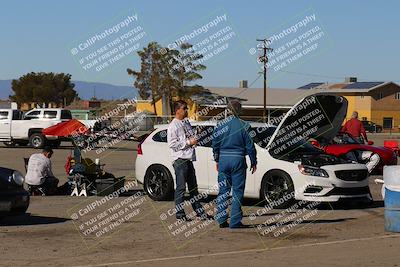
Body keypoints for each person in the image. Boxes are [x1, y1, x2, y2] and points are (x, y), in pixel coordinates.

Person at [212, 100, 257, 229]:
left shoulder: (220, 125)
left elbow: (215, 144)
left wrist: (217, 159)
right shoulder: (244, 125)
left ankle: (221, 219)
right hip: (238, 159)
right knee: (237, 191)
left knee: (223, 191)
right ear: (239, 110)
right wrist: (254, 161)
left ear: (228, 110)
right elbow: (250, 146)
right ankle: (235, 221)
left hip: (223, 160)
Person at [167, 100, 209, 221]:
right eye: (184, 108)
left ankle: (200, 213)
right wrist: (189, 142)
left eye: (186, 108)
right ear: (178, 110)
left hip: (189, 159)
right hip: (180, 160)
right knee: (180, 188)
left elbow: (191, 137)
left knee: (193, 188)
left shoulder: (186, 123)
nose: (186, 110)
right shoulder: (173, 126)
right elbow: (172, 144)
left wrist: (196, 135)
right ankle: (180, 214)